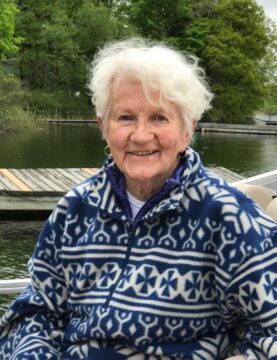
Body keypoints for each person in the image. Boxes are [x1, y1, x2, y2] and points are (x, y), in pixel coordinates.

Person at [0, 38, 276, 360]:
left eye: (159, 118)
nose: (141, 135)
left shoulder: (228, 218)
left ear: (187, 130)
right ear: (104, 127)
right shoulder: (74, 209)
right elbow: (36, 312)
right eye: (126, 118)